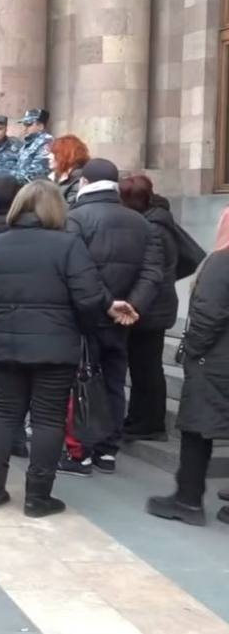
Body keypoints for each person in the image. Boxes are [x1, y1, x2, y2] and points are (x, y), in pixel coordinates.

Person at [0, 180, 133, 517]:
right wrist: (94, 319)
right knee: (48, 419)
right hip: (56, 346)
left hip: (5, 343)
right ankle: (37, 497)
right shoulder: (68, 245)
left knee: (5, 412)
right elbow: (89, 296)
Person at [60, 158, 164, 476]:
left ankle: (82, 451)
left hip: (84, 315)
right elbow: (153, 272)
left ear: (84, 183)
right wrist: (132, 306)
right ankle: (108, 450)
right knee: (115, 382)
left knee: (81, 382)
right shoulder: (142, 223)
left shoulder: (75, 219)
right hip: (122, 322)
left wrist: (107, 304)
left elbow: (77, 271)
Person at [146, 207, 229, 527]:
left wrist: (191, 349)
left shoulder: (222, 261)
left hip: (215, 361)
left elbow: (209, 313)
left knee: (196, 431)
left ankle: (188, 500)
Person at [120, 175, 180, 442]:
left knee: (147, 367)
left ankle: (150, 423)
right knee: (144, 365)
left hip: (152, 309)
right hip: (155, 305)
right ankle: (139, 418)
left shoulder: (152, 226)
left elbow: (152, 272)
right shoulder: (156, 221)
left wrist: (135, 303)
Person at [15, 108, 54, 183]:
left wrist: (13, 179)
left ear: (40, 126)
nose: (25, 128)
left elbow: (38, 170)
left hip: (37, 187)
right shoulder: (28, 144)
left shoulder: (46, 141)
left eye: (28, 125)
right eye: (24, 125)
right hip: (24, 187)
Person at [50, 134, 90, 204]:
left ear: (65, 155)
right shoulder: (55, 176)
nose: (48, 156)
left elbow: (70, 208)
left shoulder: (78, 180)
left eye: (54, 153)